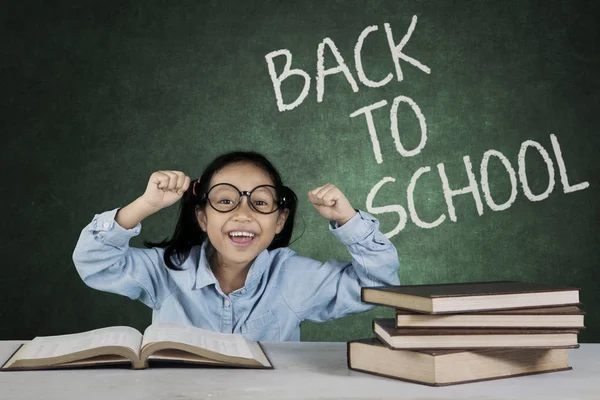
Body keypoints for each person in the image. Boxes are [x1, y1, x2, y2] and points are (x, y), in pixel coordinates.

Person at [72, 151, 400, 341]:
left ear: (280, 221)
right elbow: (94, 262)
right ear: (202, 217)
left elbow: (378, 285)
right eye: (225, 200)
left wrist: (348, 220)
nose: (243, 214)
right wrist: (145, 204)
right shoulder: (166, 271)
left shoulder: (293, 278)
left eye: (260, 202)